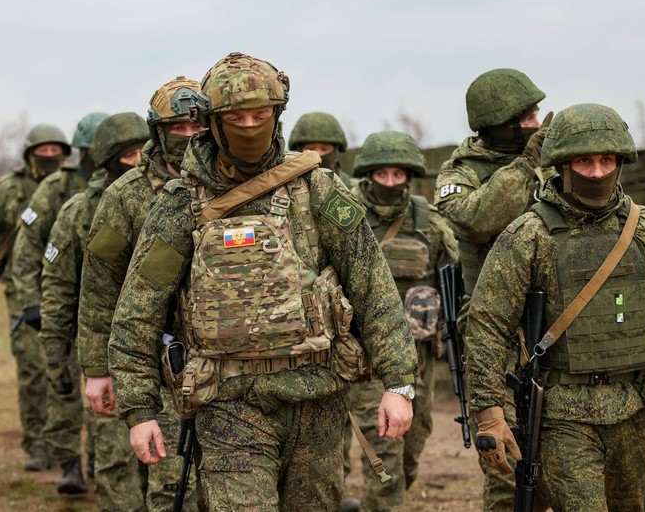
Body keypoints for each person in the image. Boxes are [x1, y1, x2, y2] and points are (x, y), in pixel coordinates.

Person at [108, 52, 417, 511]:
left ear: (278, 113)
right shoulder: (181, 204)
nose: (249, 125)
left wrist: (399, 382)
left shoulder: (317, 189)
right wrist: (138, 410)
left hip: (317, 399)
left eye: (261, 114)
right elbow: (140, 309)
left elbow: (372, 286)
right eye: (234, 117)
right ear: (212, 121)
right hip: (228, 402)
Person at [464, 103, 645, 511]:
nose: (597, 172)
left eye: (606, 160)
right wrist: (489, 410)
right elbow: (488, 326)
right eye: (584, 161)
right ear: (561, 164)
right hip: (562, 416)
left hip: (635, 406)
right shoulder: (530, 236)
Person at [78, 77, 204, 511]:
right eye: (178, 130)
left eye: (198, 127)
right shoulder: (125, 197)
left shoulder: (236, 186)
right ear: (158, 132)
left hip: (228, 360)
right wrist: (98, 368)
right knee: (173, 485)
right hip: (156, 361)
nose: (189, 138)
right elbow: (99, 285)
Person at [433, 68, 549, 511]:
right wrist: (526, 166)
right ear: (505, 121)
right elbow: (475, 219)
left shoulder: (550, 163)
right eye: (530, 115)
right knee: (510, 466)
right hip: (494, 336)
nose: (539, 122)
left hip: (557, 327)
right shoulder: (461, 171)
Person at [345, 131, 459, 510]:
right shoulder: (346, 216)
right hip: (364, 360)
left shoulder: (430, 222)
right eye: (383, 175)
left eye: (398, 175)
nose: (391, 183)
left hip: (417, 359)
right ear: (368, 175)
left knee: (412, 447)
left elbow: (454, 278)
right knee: (386, 454)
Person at [40, 112, 149, 495]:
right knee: (117, 463)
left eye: (143, 152)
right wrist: (56, 356)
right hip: (106, 349)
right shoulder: (81, 212)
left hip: (167, 355)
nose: (138, 162)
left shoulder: (176, 199)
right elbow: (57, 288)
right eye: (129, 154)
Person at [0, 123, 71, 472]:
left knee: (69, 366)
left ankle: (67, 446)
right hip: (22, 290)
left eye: (57, 151)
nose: (50, 157)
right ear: (29, 154)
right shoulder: (9, 190)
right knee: (32, 368)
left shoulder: (71, 185)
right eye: (43, 151)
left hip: (70, 289)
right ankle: (38, 443)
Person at [11, 111, 109, 474]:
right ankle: (68, 461)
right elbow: (25, 253)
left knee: (107, 391)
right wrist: (33, 304)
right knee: (63, 387)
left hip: (105, 308)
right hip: (63, 304)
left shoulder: (128, 186)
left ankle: (102, 463)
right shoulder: (56, 189)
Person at [287, 111, 351, 186]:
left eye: (324, 149)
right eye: (311, 149)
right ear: (299, 150)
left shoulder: (354, 190)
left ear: (335, 151)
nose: (318, 154)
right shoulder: (285, 190)